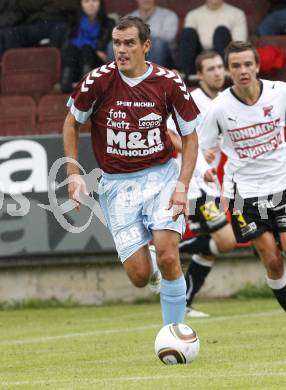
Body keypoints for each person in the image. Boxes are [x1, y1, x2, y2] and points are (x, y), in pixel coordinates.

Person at [63, 16, 201, 325]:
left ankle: (174, 332)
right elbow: (71, 123)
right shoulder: (97, 80)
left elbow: (190, 136)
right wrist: (74, 174)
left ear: (146, 46)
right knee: (139, 276)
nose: (121, 50)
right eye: (117, 43)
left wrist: (182, 184)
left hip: (162, 175)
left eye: (129, 43)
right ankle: (152, 264)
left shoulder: (168, 82)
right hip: (116, 184)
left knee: (168, 254)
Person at [199, 40, 286, 312]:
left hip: (281, 183)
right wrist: (207, 168)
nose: (243, 70)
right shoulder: (219, 108)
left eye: (248, 64)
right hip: (242, 194)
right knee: (272, 259)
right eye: (236, 66)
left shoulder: (280, 93)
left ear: (258, 66)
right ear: (228, 71)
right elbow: (200, 147)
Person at [168, 51, 236, 317]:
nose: (218, 72)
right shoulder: (190, 99)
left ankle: (184, 303)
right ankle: (162, 249)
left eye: (220, 67)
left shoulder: (227, 100)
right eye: (211, 68)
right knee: (227, 240)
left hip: (209, 182)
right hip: (193, 182)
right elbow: (169, 133)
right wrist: (195, 155)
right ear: (200, 74)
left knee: (211, 247)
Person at [179, 0, 247, 80]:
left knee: (221, 31)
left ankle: (224, 71)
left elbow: (239, 45)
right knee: (188, 32)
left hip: (224, 58)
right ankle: (187, 74)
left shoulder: (237, 14)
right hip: (199, 59)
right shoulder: (193, 14)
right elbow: (188, 41)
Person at [61, 0, 114, 93]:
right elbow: (66, 45)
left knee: (86, 50)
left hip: (97, 63)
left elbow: (108, 48)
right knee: (71, 50)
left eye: (94, 1)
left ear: (100, 3)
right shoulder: (73, 22)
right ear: (81, 4)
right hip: (75, 61)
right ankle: (67, 84)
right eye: (86, 1)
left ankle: (87, 84)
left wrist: (100, 51)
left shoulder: (109, 23)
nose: (91, 4)